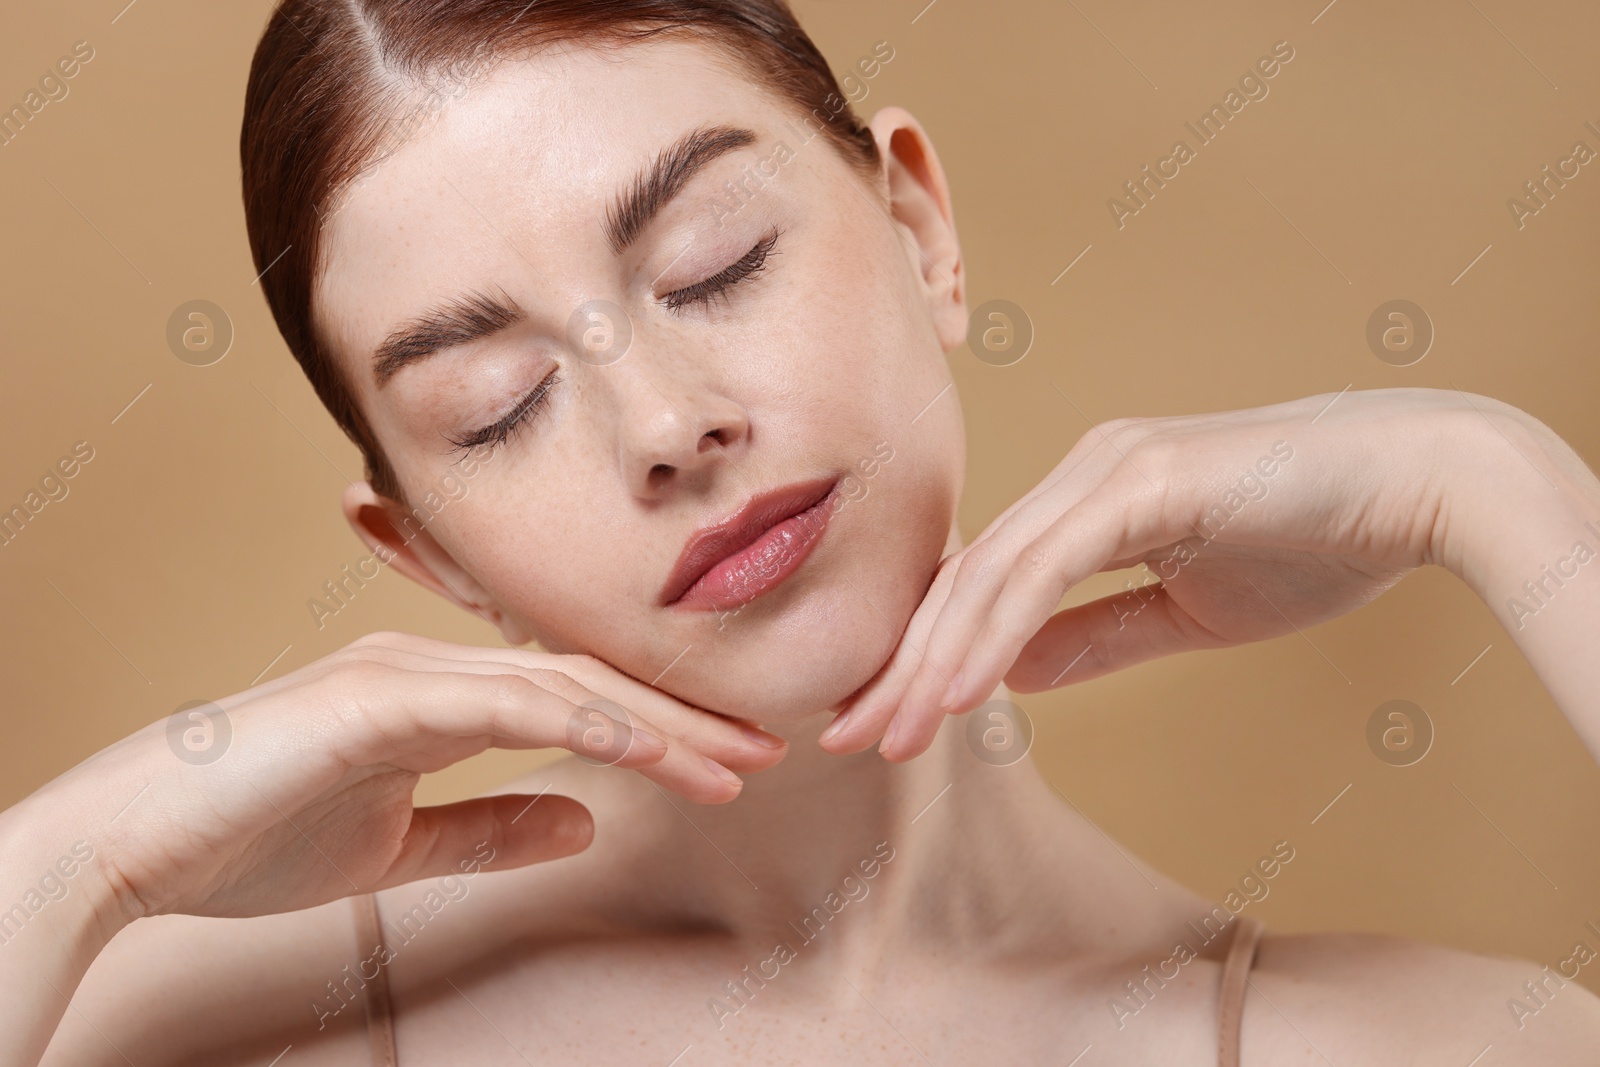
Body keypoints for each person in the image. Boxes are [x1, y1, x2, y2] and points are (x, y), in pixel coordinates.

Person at [8, 1, 1600, 1063]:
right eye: (496, 405)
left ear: (922, 231)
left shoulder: (1441, 1042)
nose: (665, 422)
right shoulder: (166, 1013)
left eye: (711, 264)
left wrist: (1494, 484)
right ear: (432, 557)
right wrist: (86, 856)